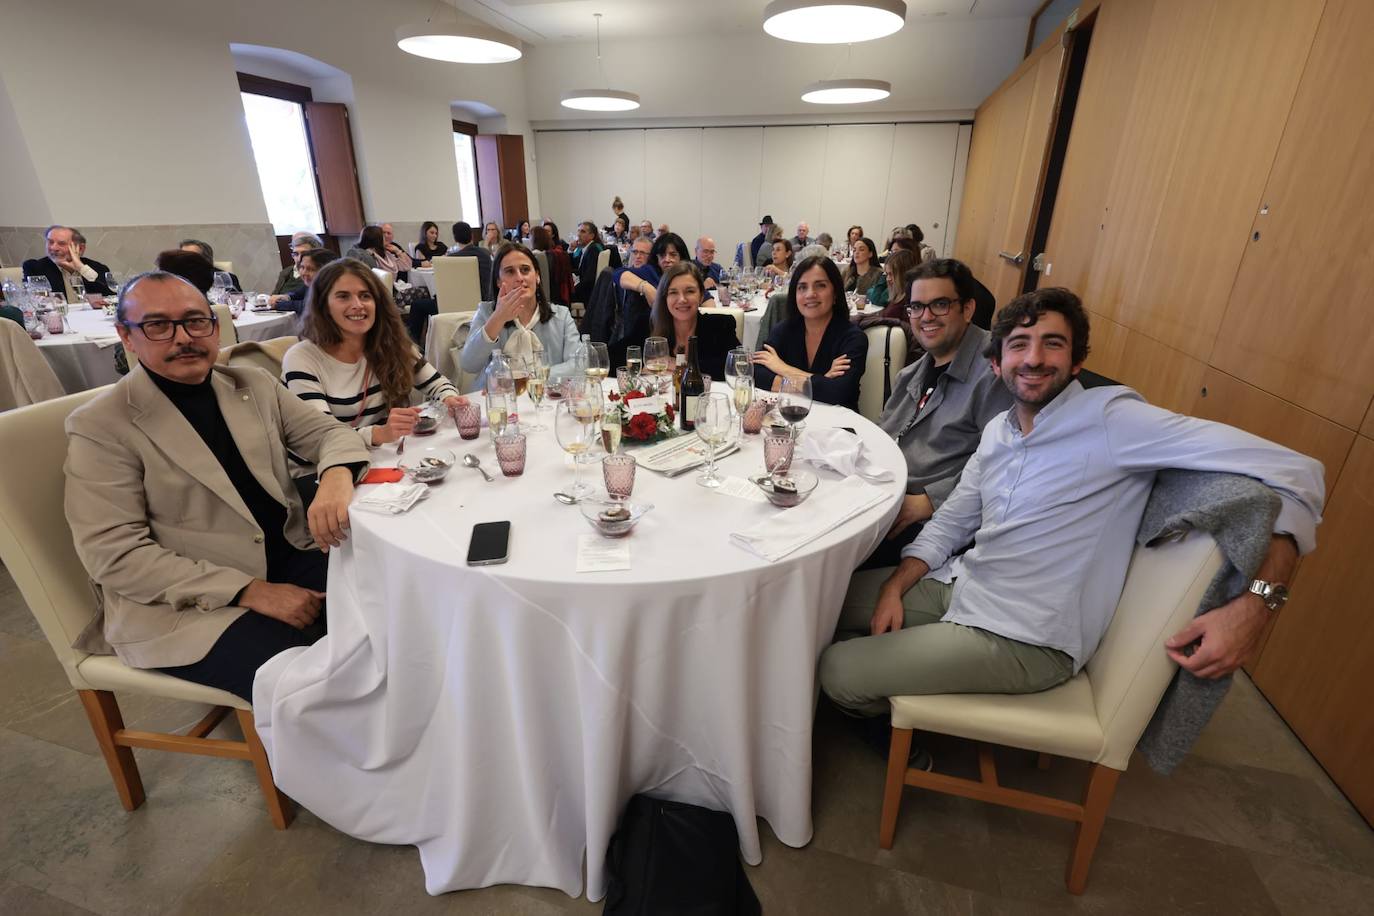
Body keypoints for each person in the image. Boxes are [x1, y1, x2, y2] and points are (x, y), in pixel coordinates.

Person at [819, 287, 1325, 730]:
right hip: (963, 585)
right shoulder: (1000, 431)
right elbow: (952, 522)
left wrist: (1258, 606)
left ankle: (885, 724)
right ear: (997, 365)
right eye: (1019, 345)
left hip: (1025, 638)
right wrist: (895, 584)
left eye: (1053, 344)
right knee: (814, 604)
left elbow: (1300, 473)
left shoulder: (1117, 423)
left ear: (1077, 361)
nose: (1034, 359)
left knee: (837, 669)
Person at [64, 271, 369, 701]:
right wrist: (251, 591)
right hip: (184, 605)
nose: (183, 337)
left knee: (395, 605)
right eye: (157, 325)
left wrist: (336, 477)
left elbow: (330, 434)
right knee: (315, 684)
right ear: (127, 337)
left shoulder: (250, 385)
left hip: (284, 553)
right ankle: (340, 763)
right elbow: (114, 555)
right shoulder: (101, 426)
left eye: (195, 321)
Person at [862, 258, 1013, 569]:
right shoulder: (915, 371)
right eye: (916, 307)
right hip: (882, 495)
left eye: (939, 305)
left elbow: (1005, 462)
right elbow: (884, 431)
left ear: (968, 309)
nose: (925, 316)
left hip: (927, 519)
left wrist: (930, 500)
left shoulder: (994, 373)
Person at [282, 259, 464, 484]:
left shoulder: (391, 344)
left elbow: (436, 383)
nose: (358, 304)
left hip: (378, 460)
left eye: (365, 296)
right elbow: (321, 437)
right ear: (323, 305)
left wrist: (450, 398)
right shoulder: (302, 358)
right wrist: (379, 433)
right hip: (321, 473)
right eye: (343, 296)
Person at [752, 255, 868, 411]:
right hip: (789, 417)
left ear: (835, 293)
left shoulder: (853, 338)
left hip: (838, 426)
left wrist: (782, 368)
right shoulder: (784, 330)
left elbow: (838, 392)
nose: (810, 294)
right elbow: (757, 373)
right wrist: (821, 382)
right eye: (802, 287)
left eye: (820, 286)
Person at [460, 243, 581, 388]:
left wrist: (532, 378)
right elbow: (468, 364)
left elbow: (578, 364)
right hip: (497, 402)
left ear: (537, 276)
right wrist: (498, 318)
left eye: (525, 270)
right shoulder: (487, 313)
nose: (519, 277)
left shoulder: (561, 316)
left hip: (547, 400)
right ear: (498, 281)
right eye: (510, 271)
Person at [649, 263, 740, 381]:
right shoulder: (647, 324)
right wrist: (643, 366)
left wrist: (681, 365)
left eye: (690, 291)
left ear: (701, 296)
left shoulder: (720, 325)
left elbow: (737, 368)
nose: (682, 299)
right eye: (673, 292)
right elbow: (619, 359)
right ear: (664, 297)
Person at [23, 225, 113, 301]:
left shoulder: (98, 268)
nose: (53, 248)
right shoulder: (34, 267)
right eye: (50, 242)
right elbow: (38, 300)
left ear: (80, 248)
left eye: (61, 243)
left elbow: (110, 296)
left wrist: (81, 268)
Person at [273, 248, 338, 314]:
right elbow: (297, 294)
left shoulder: (331, 288)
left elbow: (307, 306)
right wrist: (286, 297)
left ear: (325, 271)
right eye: (302, 267)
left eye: (310, 269)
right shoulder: (311, 284)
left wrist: (278, 304)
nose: (304, 273)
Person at [447, 221, 494, 302]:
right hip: (487, 299)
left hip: (459, 301)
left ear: (455, 238)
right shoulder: (485, 254)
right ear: (471, 235)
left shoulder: (451, 259)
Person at [867, 248, 918, 316]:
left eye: (891, 274)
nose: (888, 279)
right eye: (887, 274)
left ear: (903, 274)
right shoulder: (897, 295)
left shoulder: (909, 301)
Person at [572, 220, 605, 304]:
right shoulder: (587, 248)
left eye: (583, 232)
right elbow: (580, 269)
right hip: (586, 288)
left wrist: (572, 289)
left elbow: (589, 279)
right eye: (578, 231)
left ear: (592, 236)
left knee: (560, 295)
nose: (579, 234)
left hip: (587, 293)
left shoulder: (593, 250)